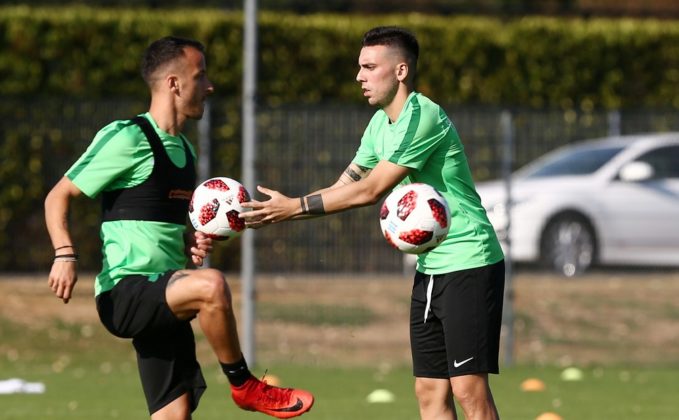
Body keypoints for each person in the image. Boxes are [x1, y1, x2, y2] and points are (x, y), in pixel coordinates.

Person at [240, 27, 505, 420]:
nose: (359, 76)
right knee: (429, 391)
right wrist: (280, 211)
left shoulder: (422, 116)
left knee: (469, 390)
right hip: (431, 267)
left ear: (400, 71)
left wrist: (293, 207)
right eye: (359, 67)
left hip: (469, 259)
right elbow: (345, 186)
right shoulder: (380, 125)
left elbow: (370, 190)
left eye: (369, 67)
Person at [44, 36, 313, 420]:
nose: (209, 86)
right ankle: (244, 385)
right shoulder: (128, 136)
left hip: (163, 292)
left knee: (174, 413)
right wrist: (64, 254)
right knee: (212, 285)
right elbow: (58, 195)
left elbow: (151, 218)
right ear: (174, 83)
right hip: (126, 291)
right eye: (200, 76)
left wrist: (187, 241)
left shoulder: (185, 149)